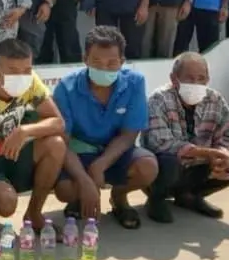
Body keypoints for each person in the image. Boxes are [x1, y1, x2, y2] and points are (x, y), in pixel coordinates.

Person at [53, 26, 159, 229]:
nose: (104, 69)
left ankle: (119, 197)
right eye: (97, 62)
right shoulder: (66, 87)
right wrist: (84, 180)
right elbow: (62, 142)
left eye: (112, 63)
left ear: (122, 61)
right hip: (79, 151)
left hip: (116, 150)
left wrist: (100, 165)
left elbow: (129, 134)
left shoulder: (135, 82)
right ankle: (80, 197)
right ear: (85, 59)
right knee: (65, 190)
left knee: (148, 167)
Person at [0, 38, 66, 236]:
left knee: (56, 145)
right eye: (13, 71)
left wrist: (25, 131)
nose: (21, 76)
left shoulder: (31, 82)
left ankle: (34, 214)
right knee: (6, 204)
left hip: (14, 151)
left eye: (27, 70)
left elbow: (58, 122)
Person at [143, 52, 229, 222]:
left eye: (201, 78)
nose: (196, 83)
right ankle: (156, 199)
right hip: (168, 166)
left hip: (198, 165)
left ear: (208, 79)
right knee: (169, 162)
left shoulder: (215, 99)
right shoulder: (159, 99)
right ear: (174, 79)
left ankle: (190, 196)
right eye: (189, 78)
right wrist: (209, 154)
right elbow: (160, 143)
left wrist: (223, 157)